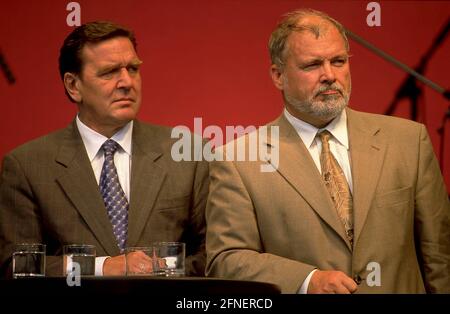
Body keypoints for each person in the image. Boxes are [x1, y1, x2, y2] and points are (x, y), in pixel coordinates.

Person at [205, 9, 450, 293]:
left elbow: (440, 256)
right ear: (278, 76)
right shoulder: (238, 160)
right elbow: (227, 259)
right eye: (312, 65)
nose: (329, 75)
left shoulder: (408, 141)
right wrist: (307, 280)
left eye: (338, 61)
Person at [0, 21, 208, 277]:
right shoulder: (27, 166)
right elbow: (16, 266)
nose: (126, 82)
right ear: (73, 86)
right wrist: (103, 266)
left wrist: (159, 270)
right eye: (109, 72)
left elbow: (212, 254)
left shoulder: (189, 153)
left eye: (133, 68)